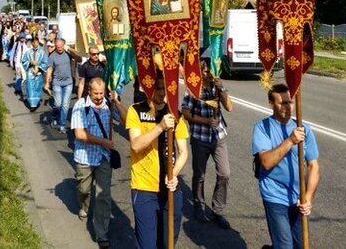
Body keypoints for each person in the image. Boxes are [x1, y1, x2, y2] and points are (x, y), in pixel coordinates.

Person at [252, 83, 320, 249]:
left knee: (300, 245)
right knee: (285, 246)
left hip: (299, 197)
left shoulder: (304, 129)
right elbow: (266, 163)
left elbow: (313, 166)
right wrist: (290, 141)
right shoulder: (262, 128)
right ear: (271, 104)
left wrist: (308, 197)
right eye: (282, 103)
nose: (287, 107)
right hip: (274, 194)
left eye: (289, 102)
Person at [126, 72, 189, 249]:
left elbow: (183, 152)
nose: (162, 93)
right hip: (144, 188)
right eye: (157, 88)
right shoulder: (136, 110)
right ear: (148, 89)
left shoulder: (174, 114)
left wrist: (174, 175)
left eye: (164, 88)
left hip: (170, 189)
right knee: (147, 244)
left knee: (168, 242)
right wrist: (161, 127)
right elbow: (136, 145)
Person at [71, 78, 127, 248]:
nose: (98, 97)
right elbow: (79, 134)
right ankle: (84, 205)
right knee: (83, 189)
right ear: (89, 90)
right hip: (84, 157)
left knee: (103, 195)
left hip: (103, 158)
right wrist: (103, 142)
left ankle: (101, 233)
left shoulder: (108, 105)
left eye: (101, 93)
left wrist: (116, 101)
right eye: (96, 93)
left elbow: (126, 120)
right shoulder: (80, 106)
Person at [181, 63, 234, 228]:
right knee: (200, 175)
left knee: (224, 173)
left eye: (210, 70)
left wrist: (222, 89)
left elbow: (230, 107)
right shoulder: (192, 88)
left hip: (218, 137)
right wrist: (205, 121)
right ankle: (199, 205)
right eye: (205, 70)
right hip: (200, 137)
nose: (208, 73)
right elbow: (186, 114)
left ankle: (217, 210)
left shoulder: (217, 88)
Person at [44, 38, 81, 133]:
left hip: (68, 83)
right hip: (57, 83)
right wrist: (47, 83)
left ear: (64, 45)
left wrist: (70, 49)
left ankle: (62, 125)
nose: (59, 49)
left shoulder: (68, 54)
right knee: (58, 104)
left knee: (65, 105)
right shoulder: (52, 56)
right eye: (57, 47)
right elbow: (49, 69)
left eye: (61, 47)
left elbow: (79, 58)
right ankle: (54, 116)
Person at [21, 35, 47, 111]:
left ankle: (36, 101)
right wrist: (30, 63)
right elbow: (24, 61)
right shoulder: (28, 52)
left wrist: (38, 68)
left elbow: (45, 63)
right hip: (30, 73)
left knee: (37, 88)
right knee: (30, 88)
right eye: (34, 42)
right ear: (32, 43)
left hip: (38, 73)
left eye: (37, 42)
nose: (35, 44)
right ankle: (32, 105)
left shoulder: (42, 52)